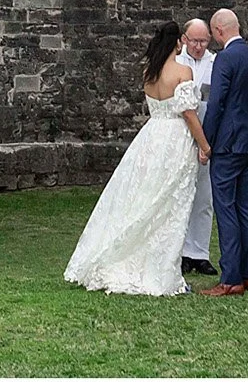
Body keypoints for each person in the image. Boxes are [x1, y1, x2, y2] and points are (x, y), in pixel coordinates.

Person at [64, 21, 213, 296]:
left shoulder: (150, 72)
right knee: (169, 202)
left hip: (151, 136)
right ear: (178, 43)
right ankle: (161, 266)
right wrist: (204, 145)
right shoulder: (183, 71)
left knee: (144, 195)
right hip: (174, 140)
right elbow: (188, 113)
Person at [198, 7, 248, 297]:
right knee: (244, 208)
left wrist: (206, 142)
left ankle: (230, 279)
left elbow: (216, 105)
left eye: (213, 34)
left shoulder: (226, 58)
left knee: (225, 209)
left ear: (219, 30)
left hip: (227, 144)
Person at [174, 18, 218, 276]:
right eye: (194, 41)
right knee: (179, 193)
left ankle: (199, 252)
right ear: (184, 39)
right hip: (180, 131)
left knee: (204, 195)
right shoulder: (177, 62)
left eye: (203, 41)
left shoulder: (215, 63)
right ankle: (179, 251)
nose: (199, 47)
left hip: (207, 132)